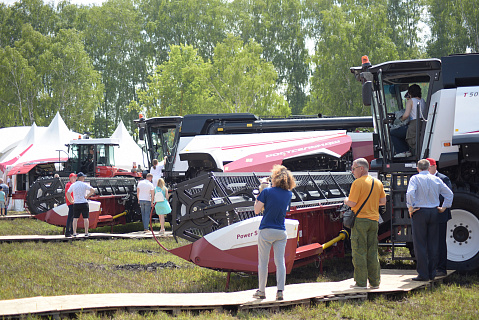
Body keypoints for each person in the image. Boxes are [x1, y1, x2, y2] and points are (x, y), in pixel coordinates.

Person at [253, 165, 296, 301]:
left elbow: (256, 210)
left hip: (266, 230)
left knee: (263, 262)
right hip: (280, 231)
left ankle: (261, 291)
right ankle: (280, 291)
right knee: (280, 262)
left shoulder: (267, 192)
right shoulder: (289, 194)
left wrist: (261, 191)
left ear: (275, 178)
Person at [406, 159, 453, 281]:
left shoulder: (415, 179)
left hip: (420, 211)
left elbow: (410, 193)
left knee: (420, 244)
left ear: (418, 168)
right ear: (428, 168)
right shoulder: (436, 179)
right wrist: (444, 207)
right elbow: (449, 194)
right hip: (434, 211)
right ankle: (432, 272)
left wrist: (410, 207)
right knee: (433, 243)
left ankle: (423, 273)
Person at [344, 158, 386, 289]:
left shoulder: (357, 183)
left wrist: (345, 200)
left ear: (361, 169)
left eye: (354, 168)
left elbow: (353, 203)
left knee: (359, 251)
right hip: (374, 221)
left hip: (360, 221)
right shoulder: (377, 182)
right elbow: (383, 201)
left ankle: (361, 283)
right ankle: (374, 282)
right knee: (372, 251)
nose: (353, 171)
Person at [426, 158, 453, 277]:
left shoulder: (443, 178)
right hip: (429, 214)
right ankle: (431, 267)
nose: (427, 170)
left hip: (440, 214)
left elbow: (447, 195)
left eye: (429, 167)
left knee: (440, 242)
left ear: (435, 166)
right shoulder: (424, 179)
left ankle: (441, 268)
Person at [391, 85, 427, 158]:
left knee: (393, 132)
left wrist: (400, 119)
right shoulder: (422, 100)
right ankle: (406, 151)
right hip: (421, 124)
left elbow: (406, 115)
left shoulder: (410, 101)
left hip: (413, 125)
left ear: (410, 92)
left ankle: (402, 151)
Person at [67, 172, 95, 237]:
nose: (84, 178)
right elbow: (93, 190)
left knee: (75, 218)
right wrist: (87, 196)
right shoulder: (84, 184)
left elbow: (68, 193)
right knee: (86, 218)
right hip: (84, 202)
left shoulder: (73, 185)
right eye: (83, 177)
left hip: (76, 203)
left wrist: (71, 201)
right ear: (80, 177)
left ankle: (74, 232)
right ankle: (86, 232)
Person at [64, 173, 77, 237]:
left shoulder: (72, 184)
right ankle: (67, 232)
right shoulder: (68, 185)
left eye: (75, 177)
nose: (75, 179)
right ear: (70, 178)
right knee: (70, 217)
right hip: (71, 203)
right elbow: (69, 194)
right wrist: (72, 201)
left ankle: (72, 231)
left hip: (73, 202)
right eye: (73, 177)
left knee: (73, 217)